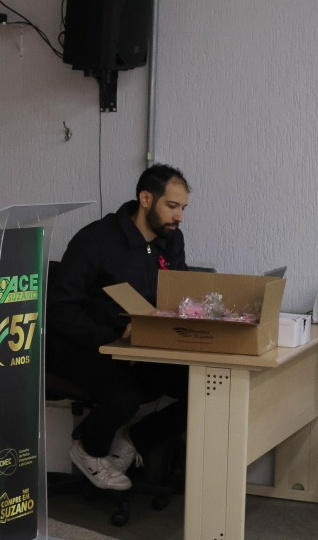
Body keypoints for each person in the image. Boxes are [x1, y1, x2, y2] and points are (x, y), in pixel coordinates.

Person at [46, 164, 192, 490]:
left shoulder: (172, 239)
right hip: (83, 344)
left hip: (141, 347)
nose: (179, 217)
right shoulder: (96, 240)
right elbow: (60, 309)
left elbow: (175, 296)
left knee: (204, 389)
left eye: (183, 208)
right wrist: (112, 340)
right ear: (146, 199)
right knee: (126, 395)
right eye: (172, 206)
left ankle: (135, 439)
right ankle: (88, 448)